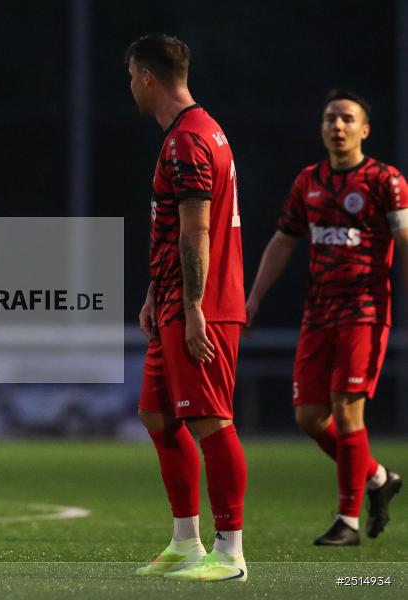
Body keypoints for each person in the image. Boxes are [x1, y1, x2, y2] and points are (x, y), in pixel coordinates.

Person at [246, 89, 405, 546]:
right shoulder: (308, 182)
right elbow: (283, 240)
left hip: (364, 311)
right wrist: (254, 297)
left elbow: (405, 240)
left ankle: (347, 522)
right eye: (330, 119)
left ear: (364, 130)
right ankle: (377, 476)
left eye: (347, 119)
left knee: (346, 411)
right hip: (318, 314)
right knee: (309, 418)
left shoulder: (385, 181)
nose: (338, 126)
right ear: (321, 128)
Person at [126, 34, 248, 582]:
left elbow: (197, 231)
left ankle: (230, 553)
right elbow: (175, 227)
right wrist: (157, 291)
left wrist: (194, 305)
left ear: (146, 76)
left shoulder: (189, 141)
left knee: (210, 421)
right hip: (176, 300)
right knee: (156, 414)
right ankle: (186, 541)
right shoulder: (198, 132)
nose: (130, 86)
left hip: (202, 306)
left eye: (131, 76)